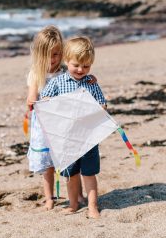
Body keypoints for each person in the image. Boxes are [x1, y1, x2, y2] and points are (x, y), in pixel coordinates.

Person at [27, 26, 96, 210]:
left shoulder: (67, 70)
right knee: (48, 163)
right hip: (44, 124)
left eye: (56, 54)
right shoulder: (36, 73)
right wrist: (37, 100)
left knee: (70, 160)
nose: (52, 60)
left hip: (65, 124)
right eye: (47, 55)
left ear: (63, 53)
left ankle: (78, 195)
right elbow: (31, 99)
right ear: (38, 54)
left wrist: (90, 79)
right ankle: (49, 197)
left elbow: (80, 80)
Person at [40, 36, 106, 219]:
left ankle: (92, 206)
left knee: (89, 173)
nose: (81, 70)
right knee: (71, 174)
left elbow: (102, 105)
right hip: (66, 139)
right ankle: (74, 204)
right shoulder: (56, 82)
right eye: (76, 65)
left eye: (86, 67)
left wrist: (95, 108)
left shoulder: (91, 83)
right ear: (66, 61)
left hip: (88, 138)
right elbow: (44, 101)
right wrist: (48, 102)